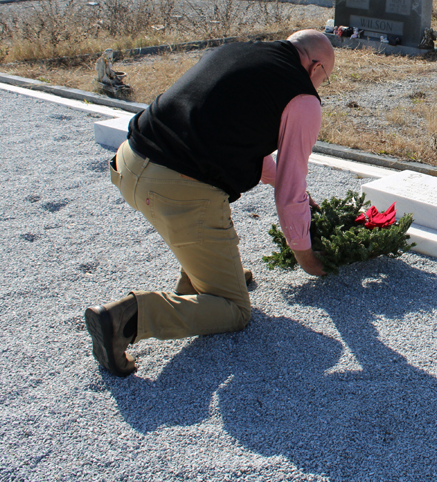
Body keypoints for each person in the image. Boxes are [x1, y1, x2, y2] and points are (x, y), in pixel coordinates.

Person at [85, 30, 335, 377]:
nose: (321, 85)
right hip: (176, 190)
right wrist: (307, 258)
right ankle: (129, 316)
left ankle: (204, 278)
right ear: (315, 66)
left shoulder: (238, 52)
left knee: (201, 209)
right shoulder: (302, 97)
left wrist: (297, 194)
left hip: (128, 163)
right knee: (234, 310)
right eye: (325, 77)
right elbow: (290, 190)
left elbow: (235, 139)